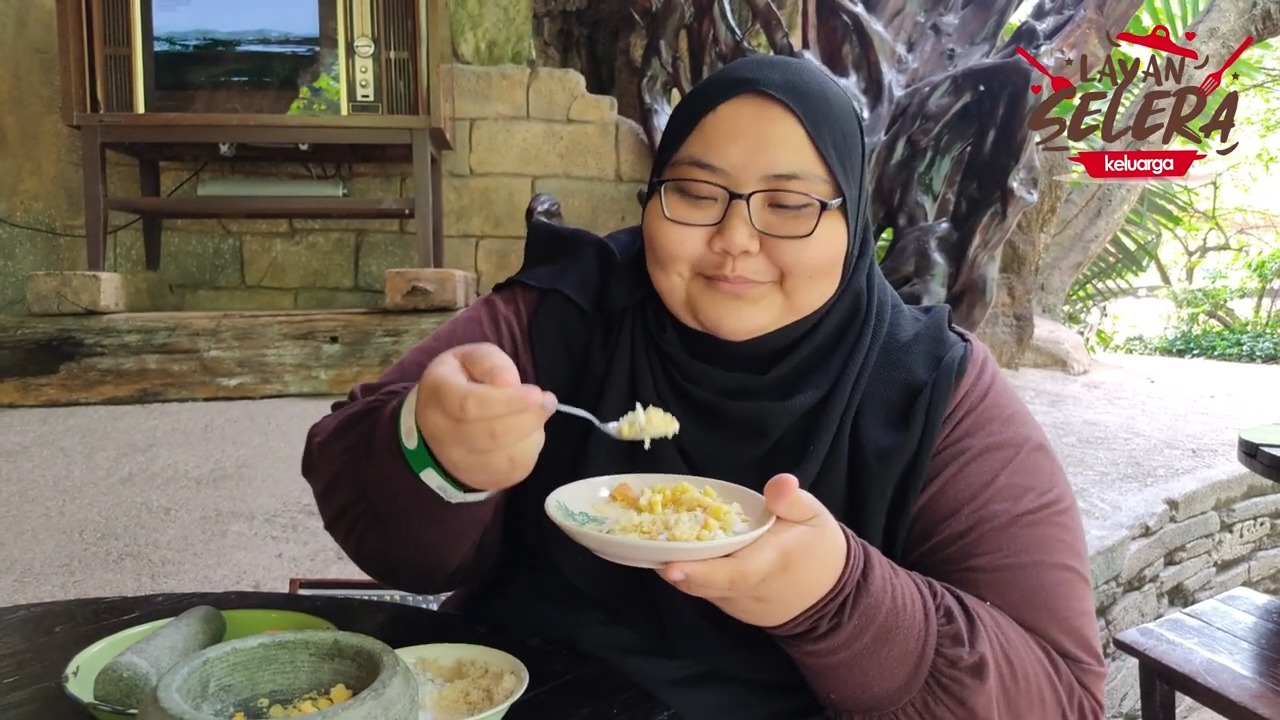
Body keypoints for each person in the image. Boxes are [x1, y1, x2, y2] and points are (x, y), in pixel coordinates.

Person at [301, 54, 1106, 719]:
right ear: (652, 197)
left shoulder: (933, 387)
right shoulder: (566, 310)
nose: (734, 239)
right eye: (694, 192)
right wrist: (433, 452)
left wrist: (842, 599)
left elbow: (1063, 696)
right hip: (522, 688)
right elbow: (370, 510)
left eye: (789, 204)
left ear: (854, 221)